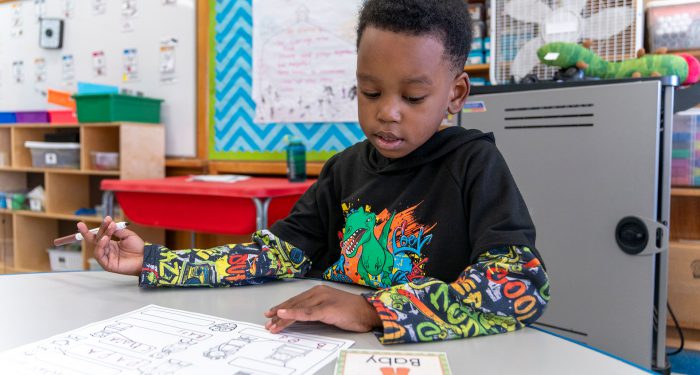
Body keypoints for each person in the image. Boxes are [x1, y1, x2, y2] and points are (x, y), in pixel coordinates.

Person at [79, 0, 550, 344]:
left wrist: (371, 310)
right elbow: (277, 254)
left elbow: (519, 285)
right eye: (369, 92)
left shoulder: (473, 164)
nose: (387, 113)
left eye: (412, 97)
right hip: (333, 350)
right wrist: (158, 262)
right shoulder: (343, 169)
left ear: (455, 94)